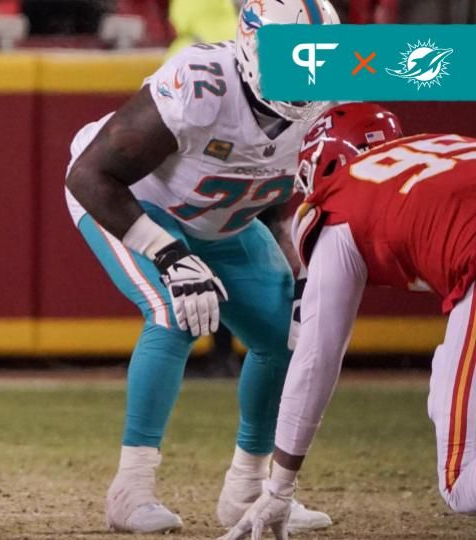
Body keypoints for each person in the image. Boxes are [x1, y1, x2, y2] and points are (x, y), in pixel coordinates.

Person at [64, 0, 340, 533]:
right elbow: (90, 175)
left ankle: (248, 489)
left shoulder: (341, 95)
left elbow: (292, 197)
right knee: (174, 310)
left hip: (222, 220)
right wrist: (168, 254)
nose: (305, 70)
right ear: (251, 43)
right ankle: (131, 488)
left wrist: (305, 271)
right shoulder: (201, 83)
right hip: (132, 203)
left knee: (291, 333)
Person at [221, 103, 476, 539]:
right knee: (445, 385)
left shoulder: (344, 199)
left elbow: (316, 357)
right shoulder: (441, 146)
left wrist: (279, 488)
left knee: (464, 482)